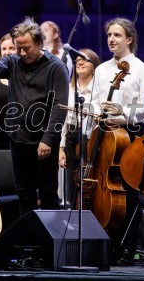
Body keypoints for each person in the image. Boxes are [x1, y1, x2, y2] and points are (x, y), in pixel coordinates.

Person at [0, 16, 69, 216]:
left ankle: (48, 245)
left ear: (39, 43)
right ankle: (27, 242)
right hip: (18, 139)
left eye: (26, 48)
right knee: (24, 194)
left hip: (43, 141)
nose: (21, 52)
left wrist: (48, 139)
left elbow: (59, 106)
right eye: (18, 47)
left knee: (47, 194)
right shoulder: (13, 62)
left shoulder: (55, 67)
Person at [90, 18, 144, 266]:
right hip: (105, 135)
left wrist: (121, 110)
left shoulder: (142, 70)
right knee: (102, 190)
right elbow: (93, 99)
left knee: (129, 193)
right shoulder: (102, 70)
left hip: (131, 135)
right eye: (109, 35)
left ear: (129, 39)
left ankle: (128, 246)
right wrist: (98, 111)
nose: (111, 39)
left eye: (117, 35)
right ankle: (103, 241)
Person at [58, 48, 100, 209]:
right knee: (72, 185)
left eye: (85, 59)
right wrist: (61, 147)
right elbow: (63, 122)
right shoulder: (68, 89)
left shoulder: (99, 89)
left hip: (92, 138)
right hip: (71, 140)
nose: (80, 62)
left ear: (94, 64)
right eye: (77, 61)